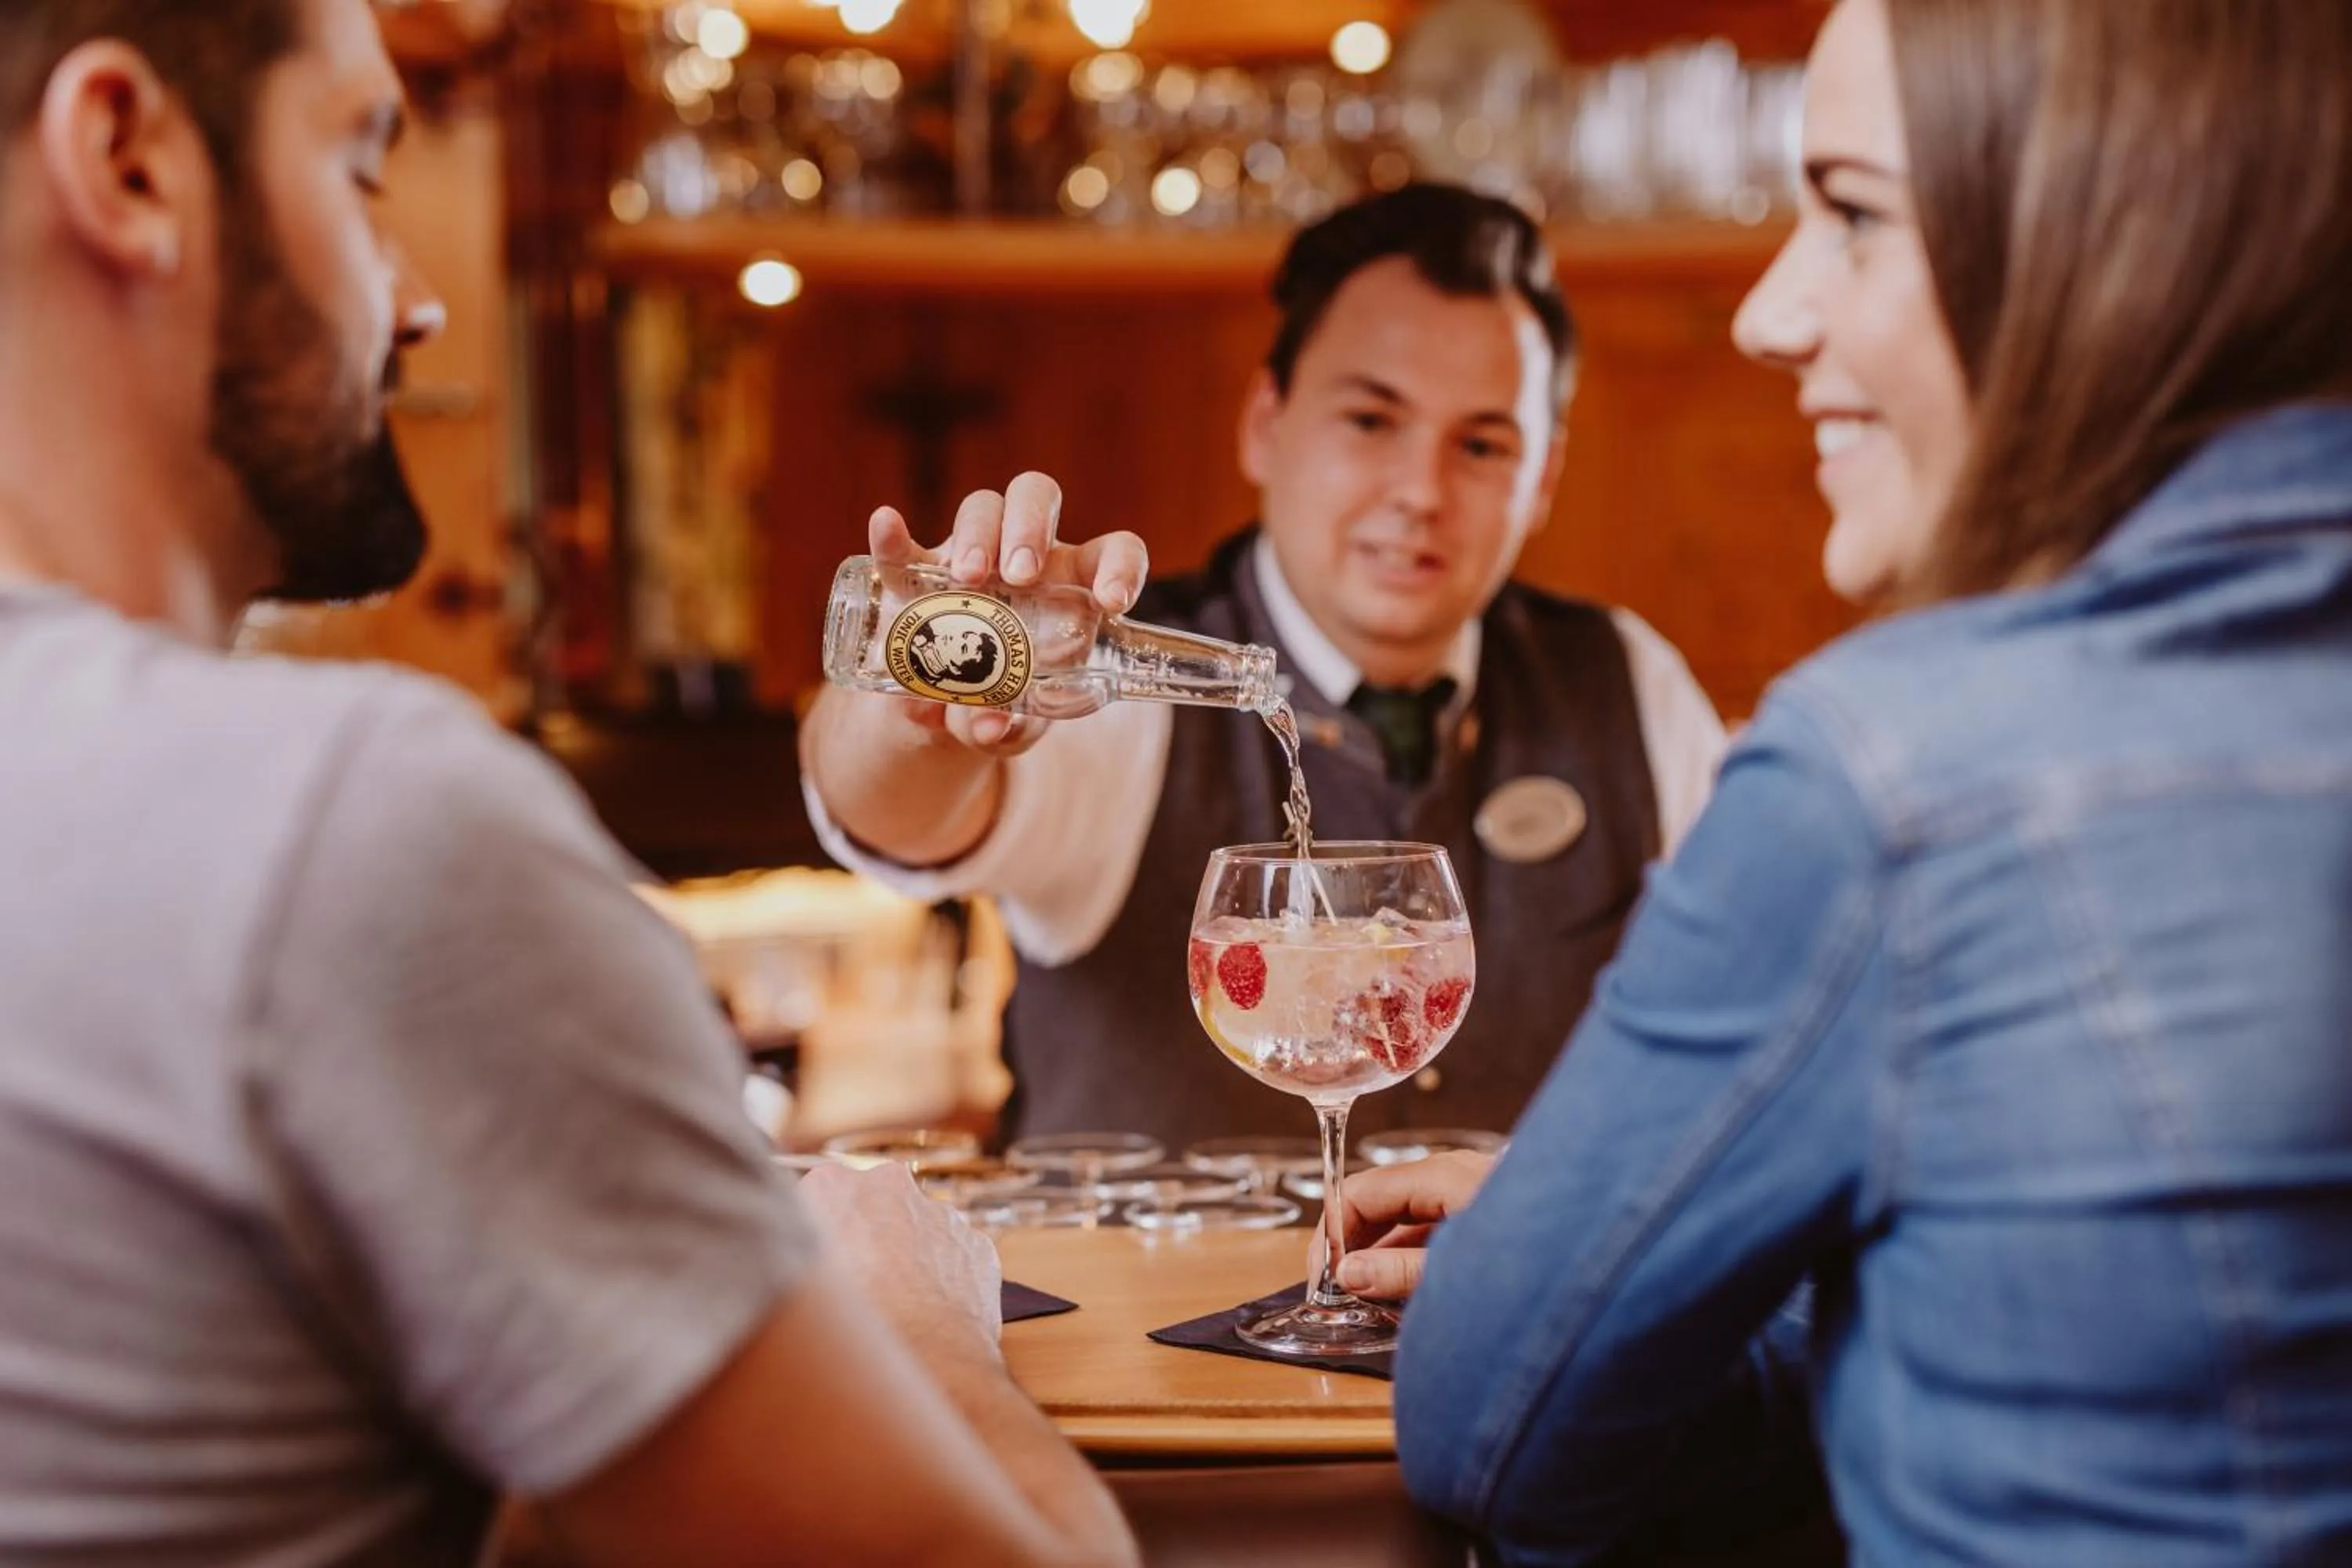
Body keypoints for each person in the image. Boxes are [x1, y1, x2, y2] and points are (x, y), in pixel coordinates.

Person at [0, 2, 1136, 1563]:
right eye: (356, 168)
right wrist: (908, 1306)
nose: (416, 304)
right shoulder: (349, 824)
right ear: (124, 161)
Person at [1351, 0, 2352, 1563]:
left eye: (1855, 214)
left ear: (2100, 236)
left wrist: (1628, 1259)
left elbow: (1496, 1434)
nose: (1765, 312)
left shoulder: (1892, 775)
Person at [801, 184, 1728, 1148]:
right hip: (1139, 1296)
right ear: (1266, 424)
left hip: (1504, 1301)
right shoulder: (1119, 672)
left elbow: (1761, 999)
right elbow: (885, 813)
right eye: (1372, 420)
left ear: (1541, 481)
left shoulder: (1623, 678)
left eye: (1483, 445)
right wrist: (921, 702)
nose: (1420, 492)